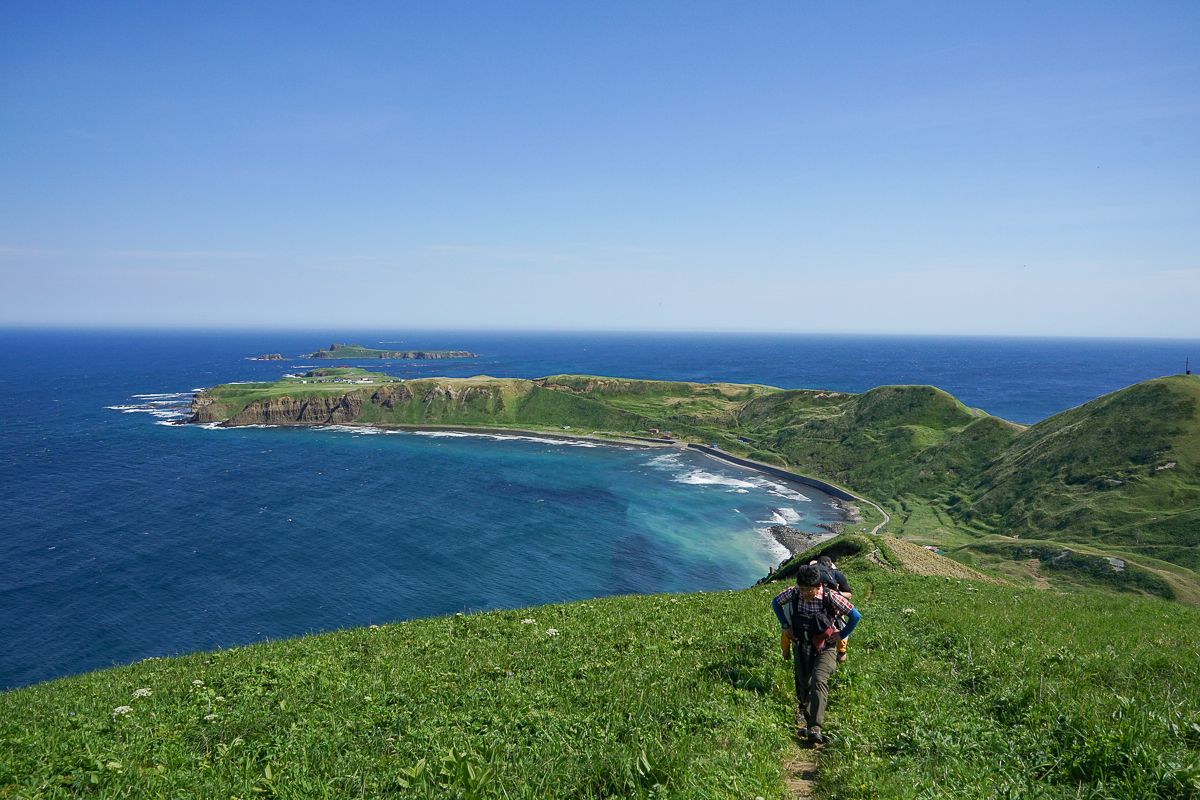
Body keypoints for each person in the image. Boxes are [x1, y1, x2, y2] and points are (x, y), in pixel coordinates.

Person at [773, 564, 861, 744]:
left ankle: (815, 727)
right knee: (803, 682)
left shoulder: (831, 597)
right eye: (802, 589)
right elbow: (775, 602)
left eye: (808, 590)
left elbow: (855, 616)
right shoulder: (794, 593)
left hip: (825, 647)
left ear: (818, 585)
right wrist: (784, 625)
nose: (804, 593)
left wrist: (841, 635)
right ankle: (805, 717)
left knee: (819, 679)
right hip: (801, 644)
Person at [814, 555, 852, 663]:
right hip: (834, 608)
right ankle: (841, 652)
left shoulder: (813, 572)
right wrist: (837, 594)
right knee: (842, 625)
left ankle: (787, 648)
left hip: (814, 605)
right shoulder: (837, 574)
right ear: (830, 564)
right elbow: (849, 595)